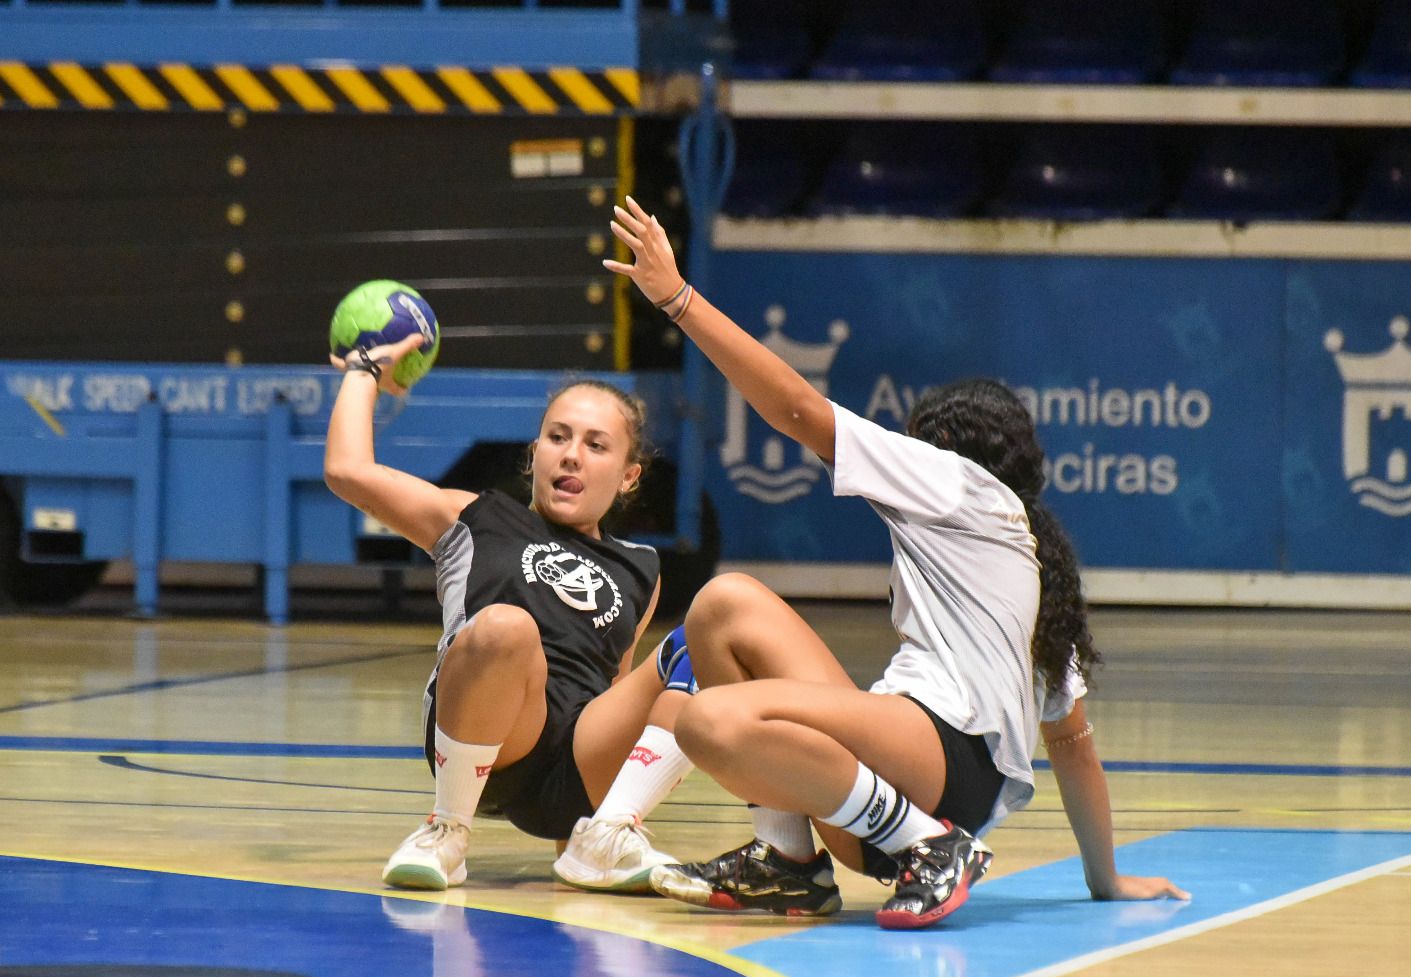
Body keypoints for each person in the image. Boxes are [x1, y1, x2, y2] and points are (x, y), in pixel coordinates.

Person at [604, 196, 1189, 928]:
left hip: (936, 760)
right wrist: (1107, 880)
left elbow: (796, 410)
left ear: (947, 450)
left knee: (710, 721)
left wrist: (678, 299)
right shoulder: (1031, 564)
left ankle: (932, 848)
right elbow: (1072, 747)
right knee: (724, 608)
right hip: (906, 781)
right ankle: (788, 861)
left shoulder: (957, 484)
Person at [324, 337, 695, 892]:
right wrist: (364, 371)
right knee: (506, 626)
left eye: (597, 445)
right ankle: (446, 830)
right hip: (493, 739)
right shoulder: (473, 518)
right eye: (557, 437)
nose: (571, 454)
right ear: (534, 454)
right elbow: (347, 470)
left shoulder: (642, 567)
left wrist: (577, 825)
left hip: (578, 764)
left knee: (706, 639)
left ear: (628, 476)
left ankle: (605, 833)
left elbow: (616, 684)